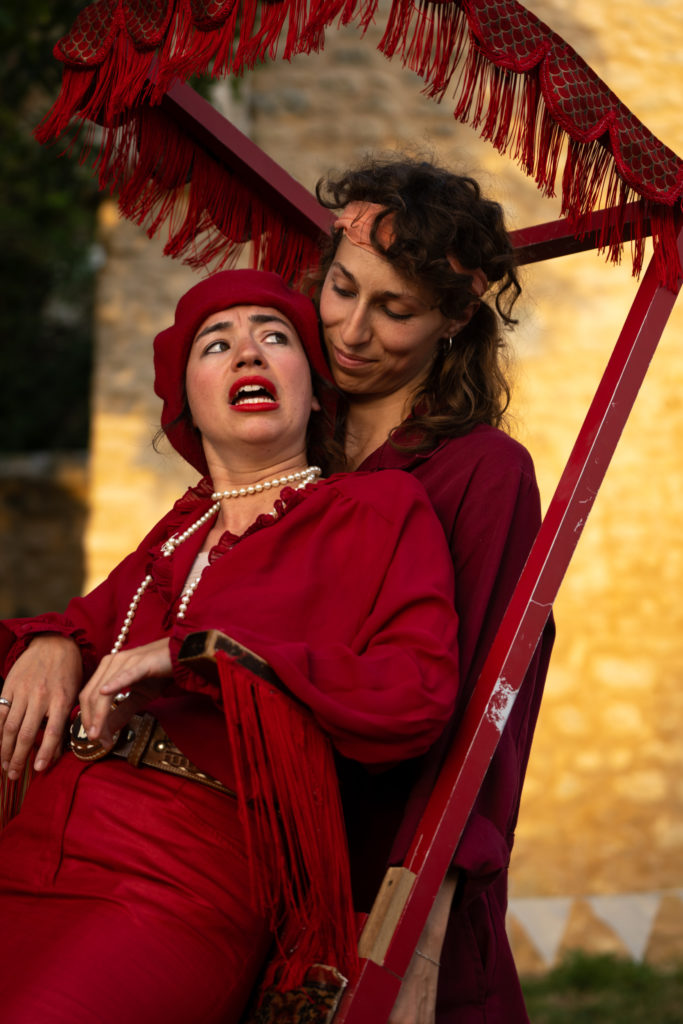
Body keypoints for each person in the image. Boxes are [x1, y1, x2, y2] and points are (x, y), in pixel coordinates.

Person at [0, 269, 463, 1024]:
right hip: (38, 837)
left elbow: (413, 692)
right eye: (218, 344)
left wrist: (203, 652)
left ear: (315, 393)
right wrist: (49, 638)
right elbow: (85, 628)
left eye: (274, 338)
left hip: (187, 868)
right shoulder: (175, 531)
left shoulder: (373, 510)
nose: (248, 352)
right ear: (187, 405)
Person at [302, 154, 556, 1024]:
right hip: (263, 858)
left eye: (394, 310)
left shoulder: (482, 472)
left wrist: (417, 930)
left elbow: (490, 713)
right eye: (341, 290)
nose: (351, 329)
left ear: (454, 319)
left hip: (396, 875)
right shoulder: (285, 448)